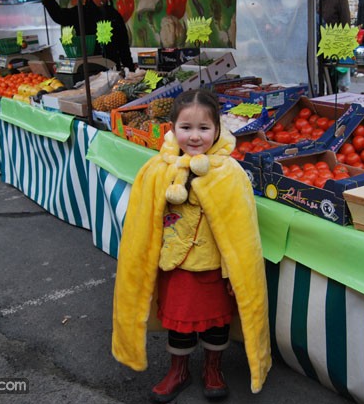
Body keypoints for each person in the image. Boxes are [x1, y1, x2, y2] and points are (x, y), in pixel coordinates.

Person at [112, 89, 271, 403]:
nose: (195, 136)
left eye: (204, 128)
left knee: (216, 323)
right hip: (175, 265)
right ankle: (178, 370)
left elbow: (241, 233)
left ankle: (213, 368)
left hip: (213, 268)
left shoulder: (230, 174)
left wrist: (232, 272)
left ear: (217, 129)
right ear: (171, 128)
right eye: (186, 128)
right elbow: (142, 225)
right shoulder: (157, 170)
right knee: (180, 323)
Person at [40, 0, 135, 71]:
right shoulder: (81, 12)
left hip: (112, 66)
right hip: (89, 68)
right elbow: (60, 16)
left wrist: (130, 69)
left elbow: (124, 45)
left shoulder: (114, 15)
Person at [316, 0, 351, 94]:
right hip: (315, 43)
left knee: (331, 81)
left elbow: (345, 24)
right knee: (316, 78)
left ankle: (330, 103)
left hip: (332, 44)